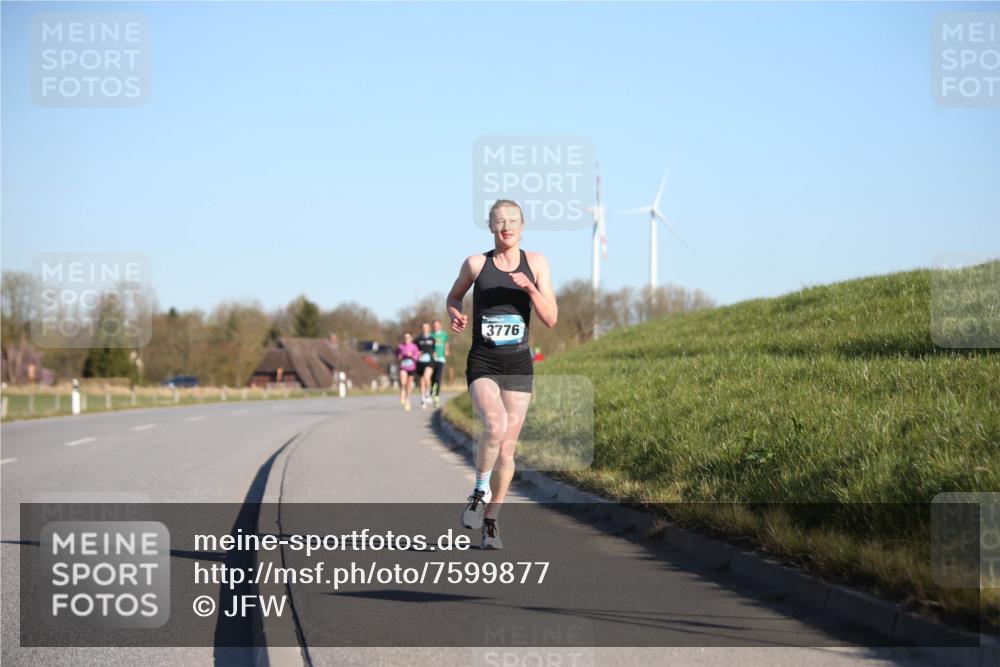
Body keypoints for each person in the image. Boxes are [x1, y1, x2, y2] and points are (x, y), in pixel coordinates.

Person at [446, 199, 558, 549]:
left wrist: (529, 288)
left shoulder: (537, 263)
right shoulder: (477, 263)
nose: (506, 226)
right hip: (484, 362)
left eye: (512, 220)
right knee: (493, 426)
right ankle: (479, 491)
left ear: (522, 225)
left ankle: (491, 521)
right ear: (490, 227)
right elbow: (454, 296)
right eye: (499, 221)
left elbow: (551, 318)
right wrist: (455, 314)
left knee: (507, 448)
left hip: (519, 365)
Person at [415, 322, 436, 410]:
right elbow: (414, 350)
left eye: (427, 327)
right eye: (423, 327)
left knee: (426, 377)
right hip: (421, 362)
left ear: (429, 328)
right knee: (422, 380)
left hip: (430, 361)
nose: (425, 329)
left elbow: (434, 350)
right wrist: (417, 353)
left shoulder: (432, 339)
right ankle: (423, 400)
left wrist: (435, 355)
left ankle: (428, 393)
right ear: (421, 329)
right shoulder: (417, 339)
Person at [395, 332, 419, 411]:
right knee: (403, 382)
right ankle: (402, 392)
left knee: (409, 384)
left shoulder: (414, 347)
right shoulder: (400, 346)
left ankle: (408, 400)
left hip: (411, 367)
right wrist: (399, 356)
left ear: (411, 338)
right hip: (403, 366)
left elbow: (416, 357)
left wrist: (411, 355)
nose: (406, 339)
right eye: (405, 337)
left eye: (408, 337)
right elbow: (397, 356)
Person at [430, 319, 449, 408]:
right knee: (431, 377)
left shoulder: (444, 334)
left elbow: (446, 344)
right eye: (434, 325)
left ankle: (436, 397)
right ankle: (432, 389)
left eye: (437, 325)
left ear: (440, 326)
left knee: (438, 378)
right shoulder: (430, 335)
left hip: (441, 358)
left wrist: (447, 350)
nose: (435, 327)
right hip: (432, 359)